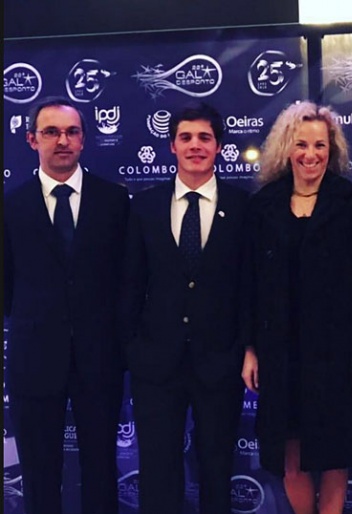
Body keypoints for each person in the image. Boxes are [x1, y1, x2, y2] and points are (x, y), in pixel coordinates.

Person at [240, 101, 352, 514]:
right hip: (279, 353)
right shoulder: (262, 207)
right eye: (301, 144)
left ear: (332, 149)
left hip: (338, 355)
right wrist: (250, 349)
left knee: (334, 455)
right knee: (290, 454)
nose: (311, 154)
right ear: (287, 148)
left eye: (320, 145)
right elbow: (248, 285)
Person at [119, 101, 248, 514]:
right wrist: (134, 348)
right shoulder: (143, 207)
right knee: (158, 470)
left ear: (219, 147)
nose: (195, 145)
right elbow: (129, 285)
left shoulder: (245, 208)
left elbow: (251, 289)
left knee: (216, 469)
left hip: (220, 362)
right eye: (186, 137)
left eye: (204, 138)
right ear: (172, 145)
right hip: (156, 363)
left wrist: (242, 349)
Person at [3, 96, 129, 514]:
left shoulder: (115, 202)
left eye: (71, 132)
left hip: (101, 357)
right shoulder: (10, 206)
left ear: (83, 141)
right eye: (51, 132)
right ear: (31, 139)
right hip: (34, 358)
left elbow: (126, 280)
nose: (62, 140)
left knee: (100, 469)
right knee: (39, 473)